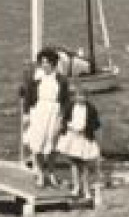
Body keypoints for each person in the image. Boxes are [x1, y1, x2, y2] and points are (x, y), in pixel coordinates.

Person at [21, 49, 69, 188]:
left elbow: (65, 101)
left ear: (53, 63)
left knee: (52, 144)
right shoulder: (36, 79)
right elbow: (28, 97)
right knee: (37, 143)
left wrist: (62, 117)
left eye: (47, 62)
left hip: (54, 113)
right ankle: (41, 173)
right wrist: (26, 114)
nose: (44, 65)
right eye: (42, 62)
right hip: (38, 112)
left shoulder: (61, 80)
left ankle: (51, 173)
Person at [56, 90, 103, 201]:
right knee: (74, 163)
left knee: (84, 165)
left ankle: (86, 190)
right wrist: (68, 127)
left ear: (87, 97)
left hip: (84, 138)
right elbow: (64, 119)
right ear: (75, 96)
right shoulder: (71, 106)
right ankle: (76, 187)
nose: (81, 98)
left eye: (83, 96)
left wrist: (88, 130)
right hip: (72, 137)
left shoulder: (91, 109)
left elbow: (96, 124)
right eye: (79, 96)